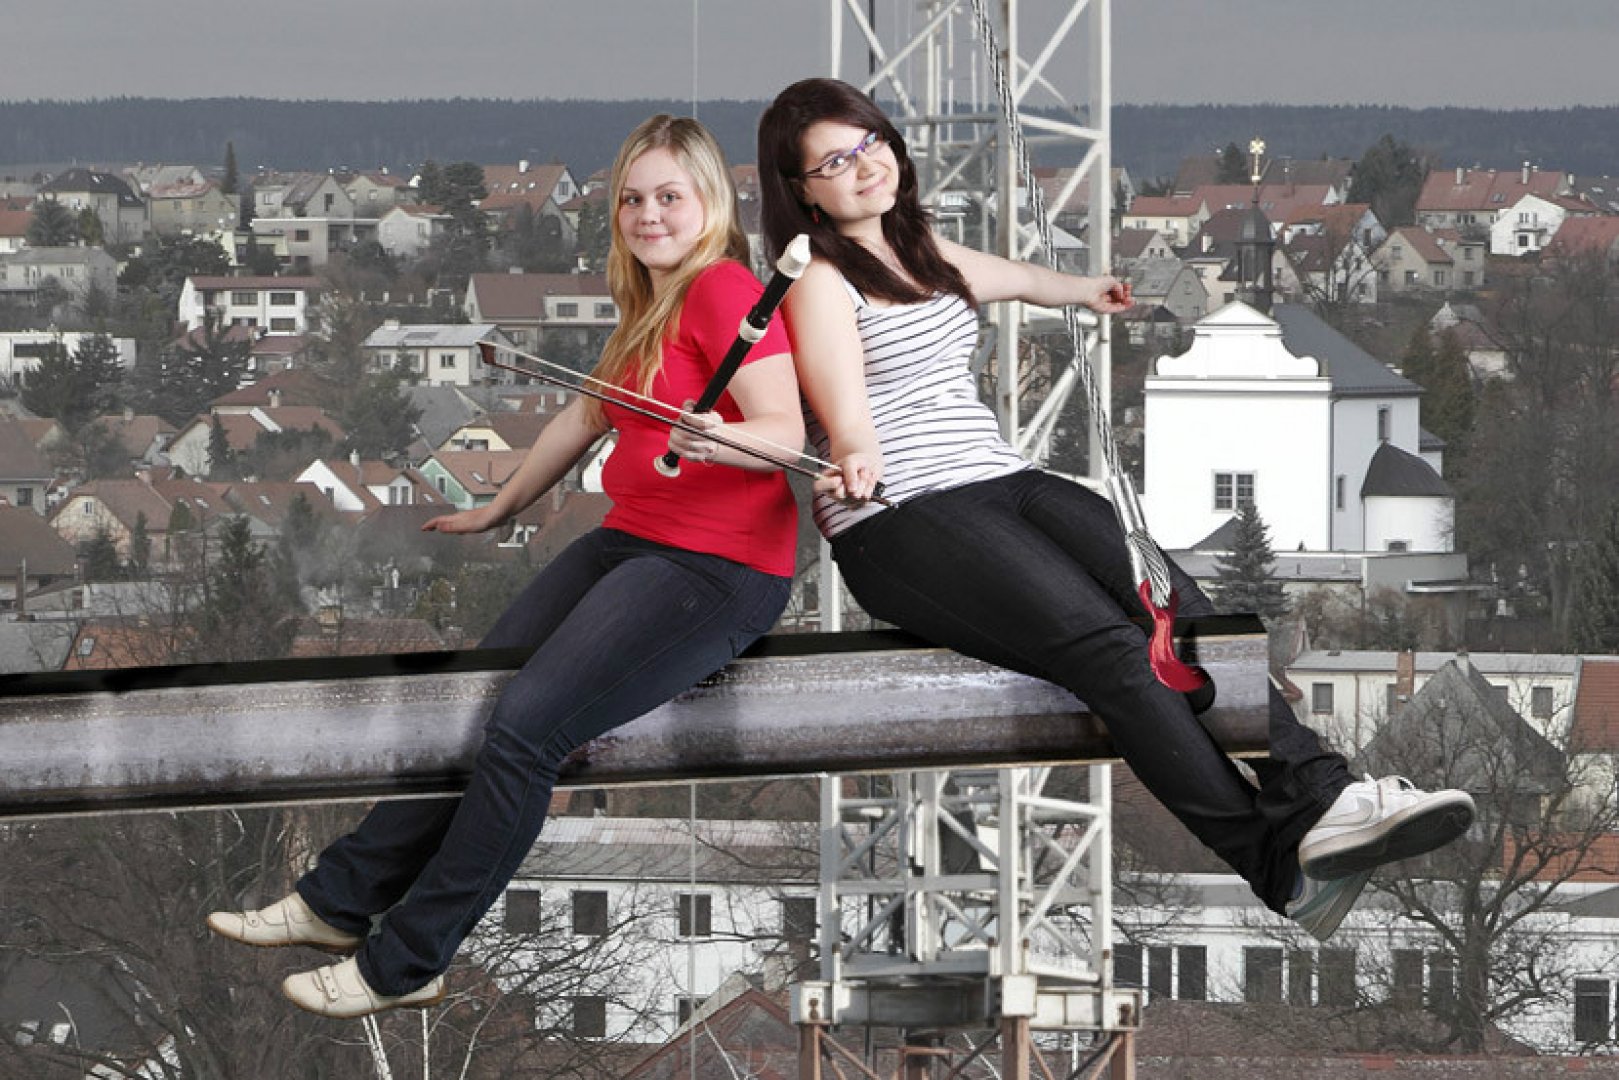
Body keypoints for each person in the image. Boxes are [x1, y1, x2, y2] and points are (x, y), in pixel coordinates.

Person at [756, 77, 1474, 941]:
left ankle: (1324, 796)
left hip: (994, 478)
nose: (865, 165)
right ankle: (1276, 865)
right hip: (900, 515)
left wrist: (1083, 289)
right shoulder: (818, 280)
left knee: (1178, 609)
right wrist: (853, 453)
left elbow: (1014, 279)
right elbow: (844, 411)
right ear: (803, 192)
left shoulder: (920, 249)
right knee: (1113, 655)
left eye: (870, 142)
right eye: (836, 161)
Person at [207, 115, 803, 1018]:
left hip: (713, 568)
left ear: (710, 204)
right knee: (473, 701)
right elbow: (584, 417)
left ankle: (408, 960)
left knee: (527, 729)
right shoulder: (652, 301)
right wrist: (501, 505)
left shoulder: (722, 289)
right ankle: (338, 902)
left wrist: (720, 440)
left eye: (668, 197)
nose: (647, 215)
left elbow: (784, 432)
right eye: (631, 199)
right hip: (632, 541)